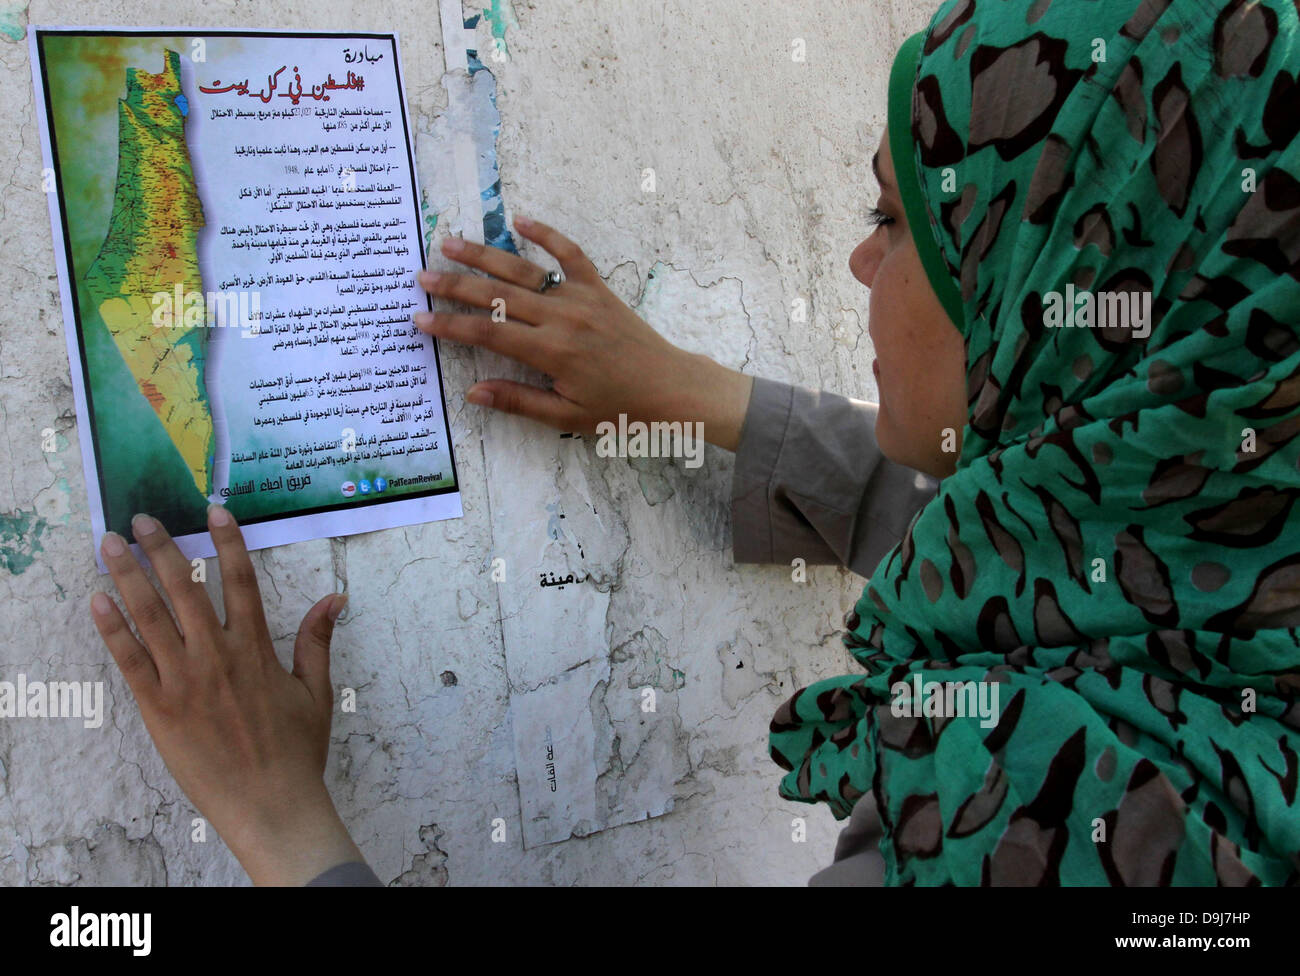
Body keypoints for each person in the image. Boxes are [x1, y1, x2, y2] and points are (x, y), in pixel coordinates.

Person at [91, 0, 1300, 885]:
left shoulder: (1035, 821)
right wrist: (685, 391)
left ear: (1048, 284)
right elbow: (1019, 549)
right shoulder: (1234, 571)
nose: (860, 261)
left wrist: (279, 820)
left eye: (895, 217)